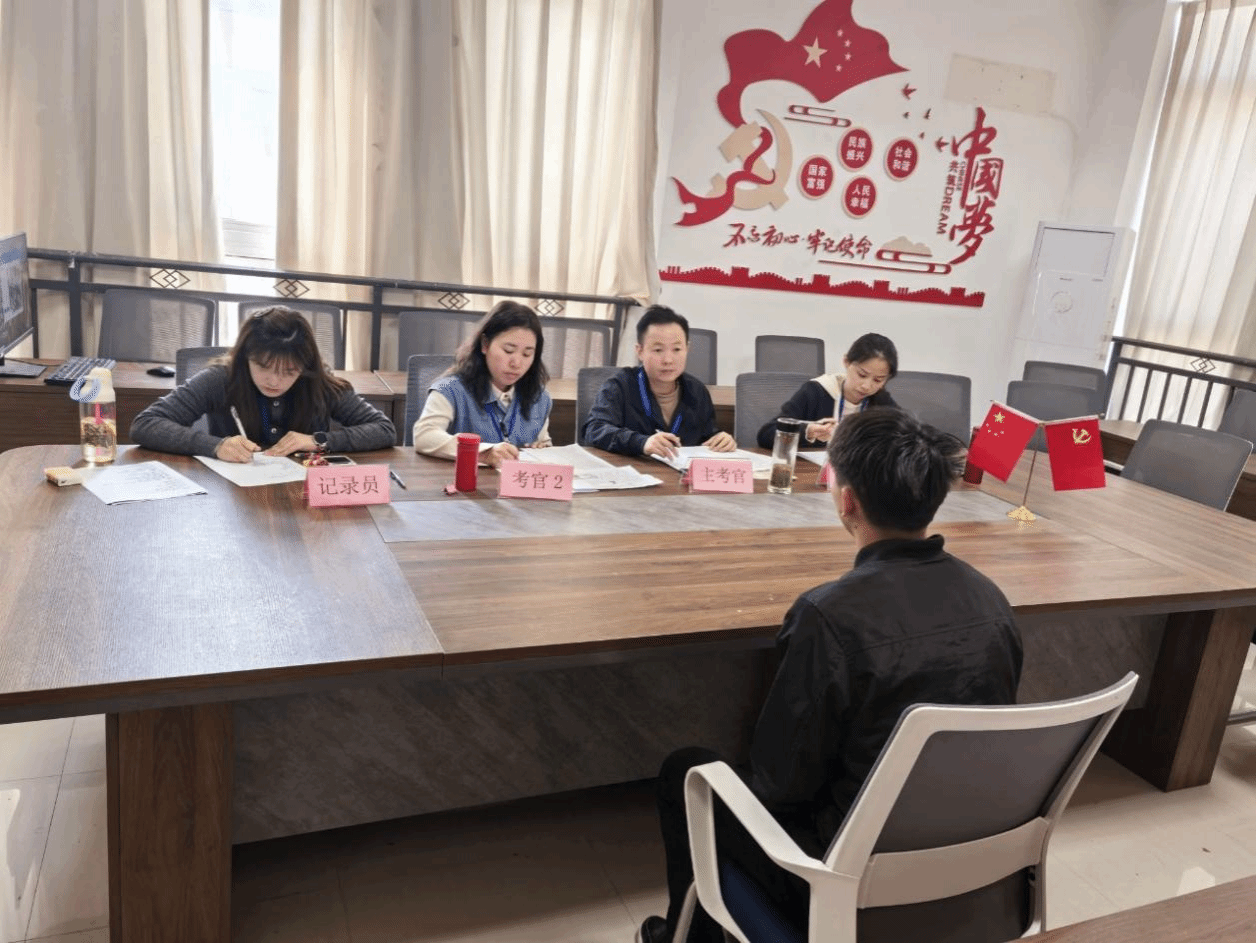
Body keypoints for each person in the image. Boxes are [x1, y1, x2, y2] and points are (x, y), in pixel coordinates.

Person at [639, 409, 1023, 943]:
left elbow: (781, 785)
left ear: (846, 500)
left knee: (686, 770)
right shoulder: (993, 601)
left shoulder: (829, 615)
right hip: (966, 876)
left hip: (840, 884)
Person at [131, 305, 395, 461]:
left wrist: (319, 440)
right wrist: (215, 446)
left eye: (289, 371)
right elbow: (145, 424)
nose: (274, 381)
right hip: (233, 495)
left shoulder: (319, 383)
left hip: (302, 499)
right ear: (246, 356)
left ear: (305, 366)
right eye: (264, 367)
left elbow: (384, 429)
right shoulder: (221, 379)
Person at [412, 301, 552, 467]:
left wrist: (542, 449)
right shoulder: (450, 390)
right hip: (462, 481)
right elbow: (424, 436)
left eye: (527, 354)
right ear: (485, 344)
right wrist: (483, 452)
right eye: (508, 350)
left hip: (514, 482)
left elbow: (543, 442)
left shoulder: (539, 398)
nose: (516, 363)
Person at [583, 305, 735, 458]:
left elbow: (707, 436)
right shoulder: (619, 386)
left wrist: (721, 440)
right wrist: (641, 442)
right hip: (634, 469)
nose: (668, 360)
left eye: (677, 349)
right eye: (658, 350)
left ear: (687, 349)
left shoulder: (697, 391)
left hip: (680, 472)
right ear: (640, 351)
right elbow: (594, 430)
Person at [755, 332, 900, 449]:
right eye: (862, 375)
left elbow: (907, 437)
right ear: (846, 362)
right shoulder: (816, 392)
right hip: (813, 473)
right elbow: (766, 434)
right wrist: (807, 431)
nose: (867, 386)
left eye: (878, 380)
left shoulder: (881, 401)